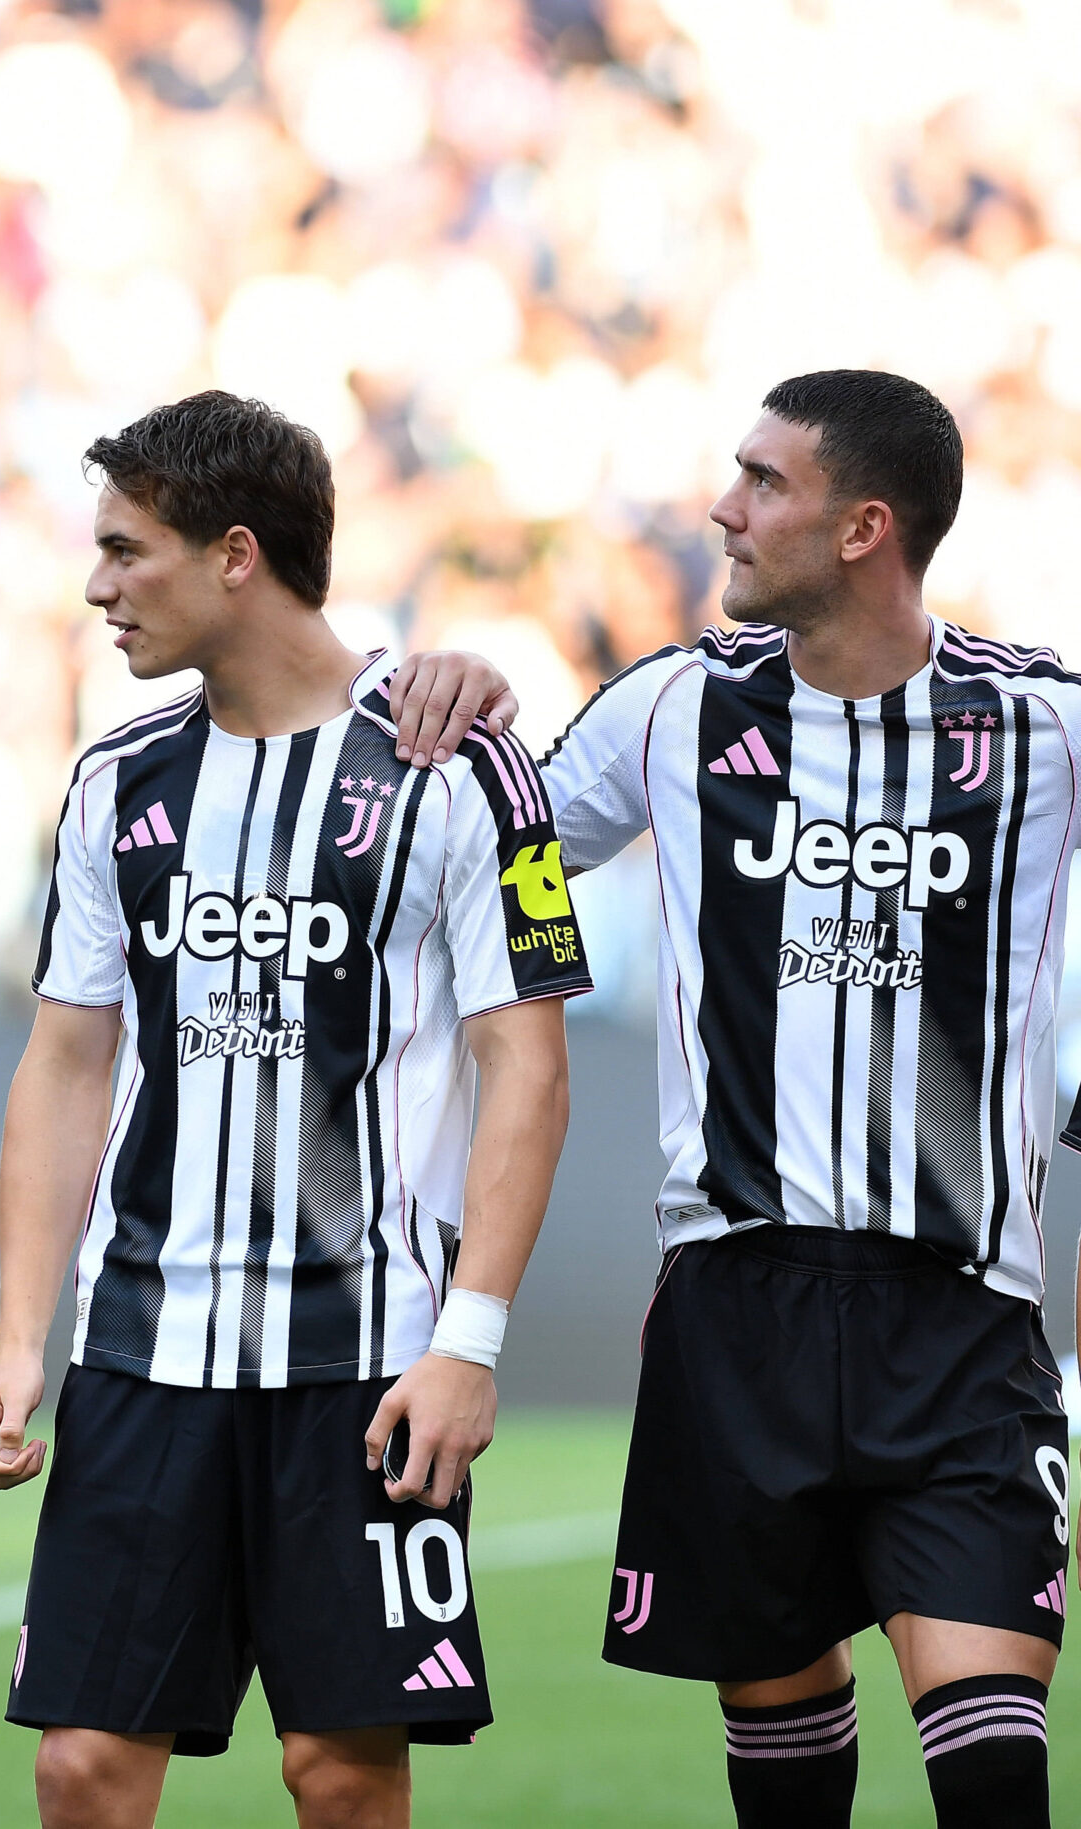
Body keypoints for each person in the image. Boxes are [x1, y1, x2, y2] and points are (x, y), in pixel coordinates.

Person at [395, 368, 1068, 1829]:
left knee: (994, 1767)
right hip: (737, 1310)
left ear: (862, 528)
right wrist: (442, 702)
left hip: (960, 1320)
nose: (724, 506)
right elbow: (471, 837)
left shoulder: (1043, 728)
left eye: (765, 481)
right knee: (784, 1766)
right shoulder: (676, 707)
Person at [0, 391, 587, 1829]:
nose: (97, 586)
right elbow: (65, 1061)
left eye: (128, 551)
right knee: (82, 1763)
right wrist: (21, 1331)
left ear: (234, 553)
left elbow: (529, 1067)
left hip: (360, 1366)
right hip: (144, 1349)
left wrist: (467, 1344)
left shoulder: (453, 766)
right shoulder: (120, 780)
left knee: (340, 1769)